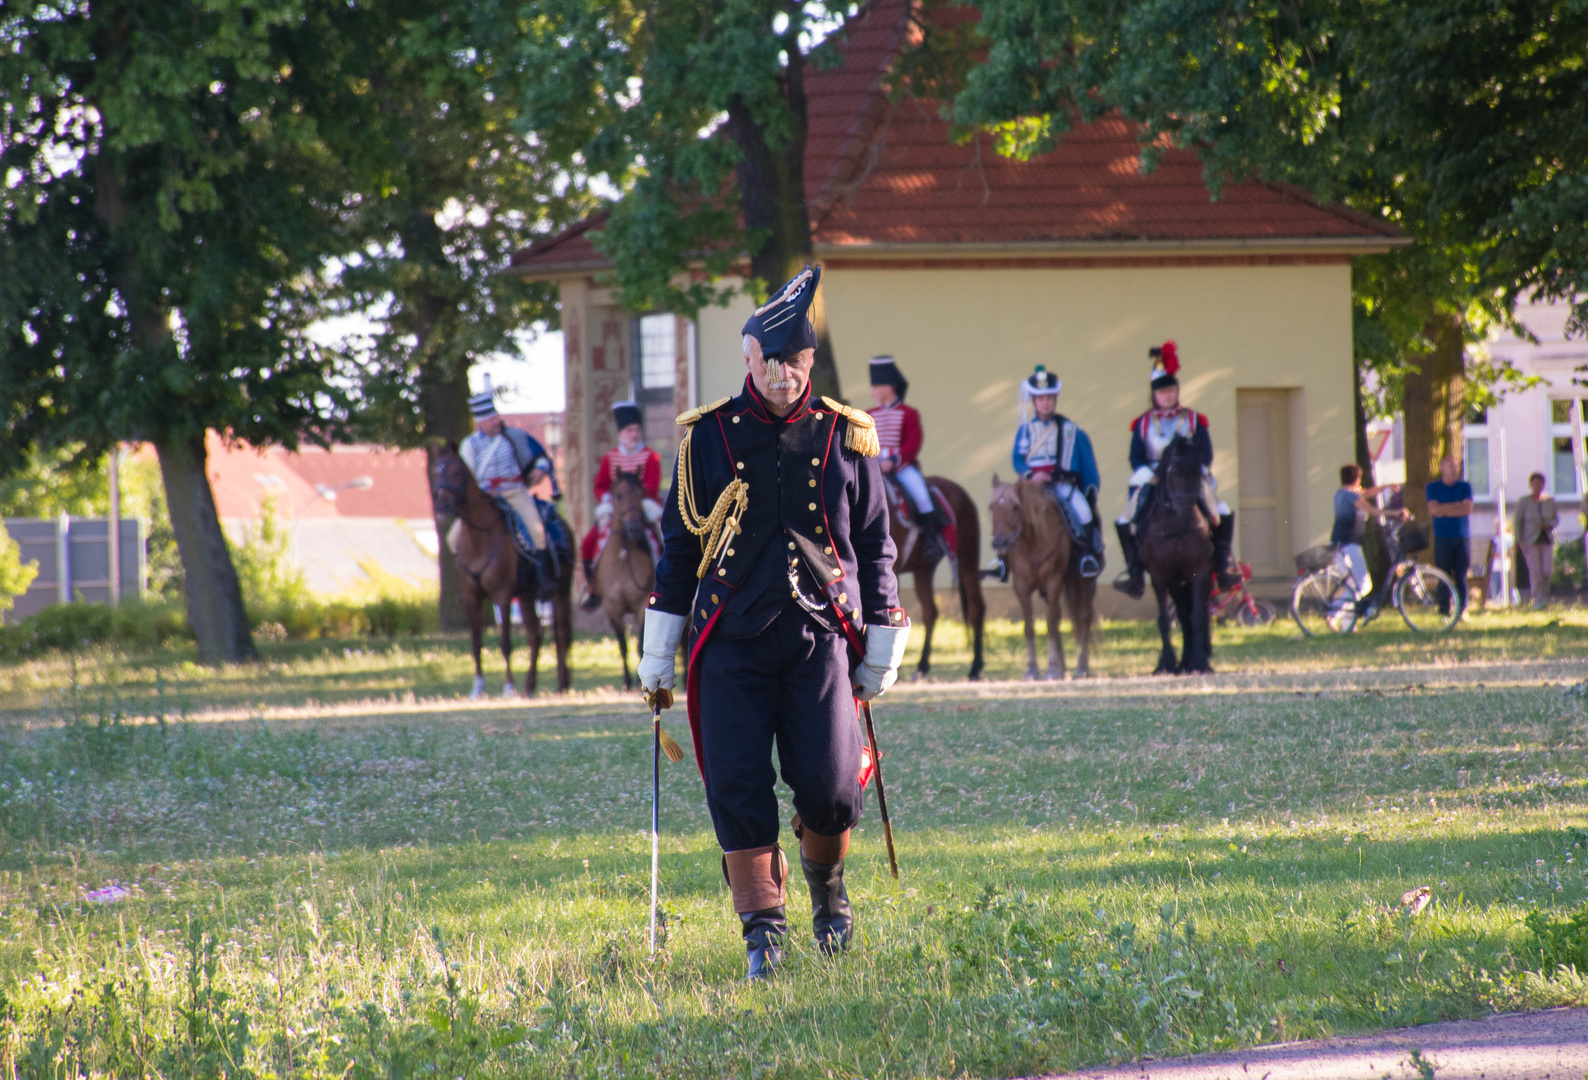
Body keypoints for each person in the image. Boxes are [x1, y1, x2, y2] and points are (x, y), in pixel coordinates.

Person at [636, 265, 910, 981]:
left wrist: (880, 637)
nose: (787, 374)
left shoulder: (846, 437)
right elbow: (678, 549)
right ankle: (763, 931)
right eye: (774, 360)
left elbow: (877, 546)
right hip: (728, 644)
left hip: (820, 640)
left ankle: (828, 893)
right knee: (735, 785)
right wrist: (659, 650)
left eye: (799, 361)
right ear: (749, 357)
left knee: (831, 787)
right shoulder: (707, 439)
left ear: (809, 362)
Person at [1114, 341, 1240, 598]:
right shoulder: (1143, 423)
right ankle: (1135, 571)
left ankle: (1222, 565)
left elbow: (1206, 452)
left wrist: (1198, 469)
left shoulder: (1194, 419)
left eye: (1172, 391)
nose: (1168, 396)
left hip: (1188, 477)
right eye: (1163, 393)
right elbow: (1135, 455)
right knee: (1124, 519)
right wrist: (1151, 475)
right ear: (1154, 395)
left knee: (1223, 510)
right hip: (1152, 476)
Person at [1010, 365, 1104, 577]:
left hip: (1060, 484)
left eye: (1050, 398)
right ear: (1034, 401)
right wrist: (1031, 475)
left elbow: (1084, 463)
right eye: (1041, 398)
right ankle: (1004, 560)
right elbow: (1017, 458)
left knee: (1083, 510)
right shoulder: (1025, 430)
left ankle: (1087, 556)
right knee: (1007, 510)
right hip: (1031, 485)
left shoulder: (1070, 429)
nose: (1046, 402)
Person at [458, 378, 561, 560]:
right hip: (484, 497)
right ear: (480, 423)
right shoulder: (469, 445)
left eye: (496, 416)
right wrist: (483, 491)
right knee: (453, 539)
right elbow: (467, 477)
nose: (497, 421)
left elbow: (540, 456)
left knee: (537, 532)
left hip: (514, 492)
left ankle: (542, 576)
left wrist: (540, 469)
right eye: (491, 419)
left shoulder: (513, 436)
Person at [579, 401, 664, 611]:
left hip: (644, 506)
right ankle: (593, 587)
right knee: (588, 542)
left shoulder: (651, 456)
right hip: (617, 507)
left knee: (664, 537)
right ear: (621, 433)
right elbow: (600, 486)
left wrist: (635, 500)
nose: (634, 434)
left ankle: (666, 581)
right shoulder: (611, 457)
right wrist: (608, 499)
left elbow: (652, 487)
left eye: (637, 430)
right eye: (629, 430)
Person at [868, 355, 946, 558]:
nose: (872, 390)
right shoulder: (868, 415)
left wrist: (894, 461)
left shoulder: (909, 413)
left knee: (921, 495)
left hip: (901, 467)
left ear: (889, 387)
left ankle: (931, 541)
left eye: (876, 386)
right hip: (873, 467)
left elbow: (913, 444)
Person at [1332, 463, 1404, 611]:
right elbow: (1372, 511)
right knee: (1364, 585)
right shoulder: (1352, 497)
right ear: (1357, 479)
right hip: (1349, 544)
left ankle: (1348, 625)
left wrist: (1386, 486)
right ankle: (1333, 613)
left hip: (1337, 543)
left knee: (1353, 586)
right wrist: (1395, 513)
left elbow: (1367, 492)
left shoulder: (1341, 493)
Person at [1426, 455, 1474, 617]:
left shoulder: (1465, 487)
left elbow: (1467, 509)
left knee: (1461, 575)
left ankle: (1462, 609)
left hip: (1461, 536)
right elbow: (1434, 510)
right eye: (1451, 467)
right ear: (1442, 469)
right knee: (1443, 574)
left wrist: (1444, 509)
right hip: (1442, 537)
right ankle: (1444, 610)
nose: (1455, 470)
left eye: (1456, 467)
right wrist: (1456, 506)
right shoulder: (1433, 488)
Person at [1513, 471, 1559, 608]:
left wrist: (1549, 524)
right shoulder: (1524, 502)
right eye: (1534, 483)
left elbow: (1555, 519)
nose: (1537, 486)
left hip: (1546, 539)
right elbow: (1517, 521)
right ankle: (1537, 599)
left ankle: (1543, 594)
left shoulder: (1549, 502)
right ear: (1530, 485)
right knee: (1535, 571)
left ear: (1543, 485)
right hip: (1530, 540)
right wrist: (1518, 540)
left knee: (1547, 570)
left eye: (1539, 483)